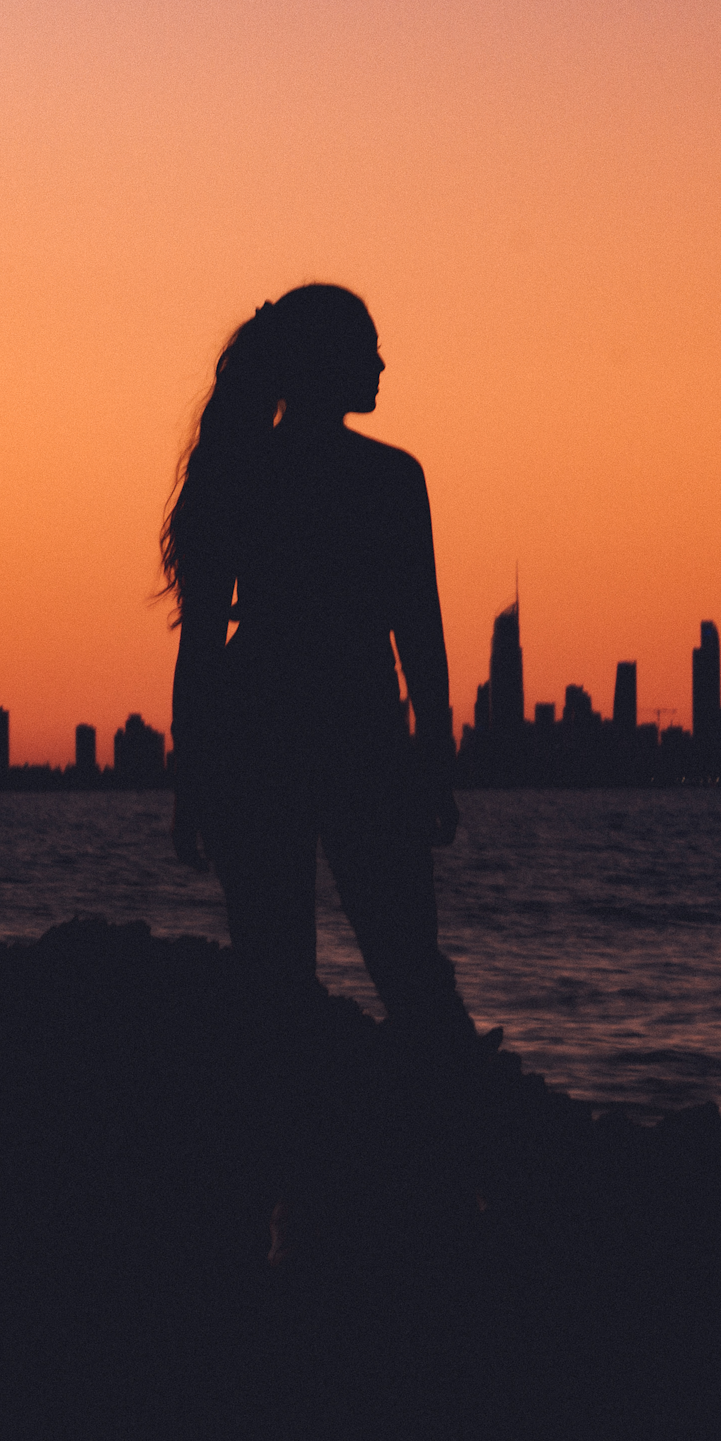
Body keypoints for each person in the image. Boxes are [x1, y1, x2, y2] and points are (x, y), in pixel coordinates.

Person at [164, 284, 478, 1048]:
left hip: (255, 725)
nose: (381, 364)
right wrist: (434, 759)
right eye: (367, 348)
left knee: (274, 976)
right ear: (325, 363)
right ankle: (450, 1103)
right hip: (360, 726)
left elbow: (201, 645)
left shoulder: (240, 472)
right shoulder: (391, 478)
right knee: (408, 964)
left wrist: (191, 776)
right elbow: (420, 635)